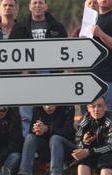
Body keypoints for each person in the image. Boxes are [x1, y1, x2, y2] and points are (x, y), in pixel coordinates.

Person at [9, 0, 67, 138]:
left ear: (46, 6)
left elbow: (65, 53)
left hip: (50, 78)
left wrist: (54, 73)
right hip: (26, 78)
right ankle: (29, 150)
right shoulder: (19, 28)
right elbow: (10, 54)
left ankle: (45, 149)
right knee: (26, 116)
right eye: (34, 3)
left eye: (40, 2)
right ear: (29, 6)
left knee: (49, 115)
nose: (37, 5)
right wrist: (22, 72)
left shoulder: (57, 27)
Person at [15, 104, 75, 175]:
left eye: (51, 104)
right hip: (47, 149)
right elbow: (31, 129)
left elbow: (68, 131)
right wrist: (37, 130)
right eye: (45, 104)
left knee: (55, 138)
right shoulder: (37, 108)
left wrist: (47, 129)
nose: (48, 107)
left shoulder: (67, 107)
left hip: (65, 148)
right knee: (30, 137)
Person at [89, 0, 112, 113]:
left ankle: (110, 131)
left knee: (108, 111)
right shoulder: (92, 19)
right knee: (89, 111)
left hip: (108, 76)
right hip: (90, 75)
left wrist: (101, 34)